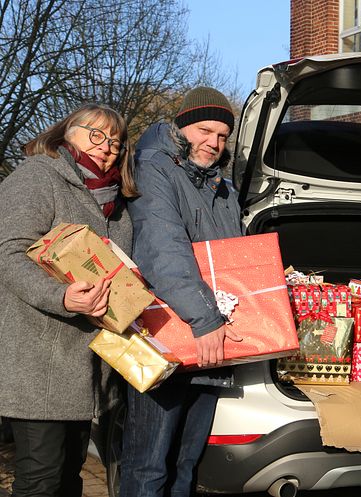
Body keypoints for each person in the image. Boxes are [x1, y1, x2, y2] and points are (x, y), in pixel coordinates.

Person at [0, 103, 135, 497]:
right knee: (40, 481)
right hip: (37, 362)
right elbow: (6, 252)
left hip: (88, 369)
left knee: (67, 480)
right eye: (96, 135)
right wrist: (61, 297)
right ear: (67, 133)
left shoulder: (118, 204)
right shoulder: (39, 178)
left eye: (116, 141)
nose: (107, 147)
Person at [118, 87, 243, 497]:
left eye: (223, 135)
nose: (214, 142)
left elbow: (232, 263)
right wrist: (206, 318)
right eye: (205, 130)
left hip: (211, 341)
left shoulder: (222, 188)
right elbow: (162, 250)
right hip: (167, 334)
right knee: (149, 468)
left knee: (185, 467)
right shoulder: (155, 168)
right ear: (181, 126)